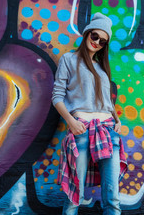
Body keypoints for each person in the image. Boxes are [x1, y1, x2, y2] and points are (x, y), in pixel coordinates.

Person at [52, 12, 127, 215]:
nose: (97, 42)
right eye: (95, 36)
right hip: (82, 129)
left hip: (109, 131)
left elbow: (107, 102)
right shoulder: (69, 59)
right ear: (86, 33)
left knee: (112, 198)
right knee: (74, 196)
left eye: (103, 41)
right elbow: (57, 96)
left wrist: (117, 121)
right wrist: (70, 121)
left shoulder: (102, 69)